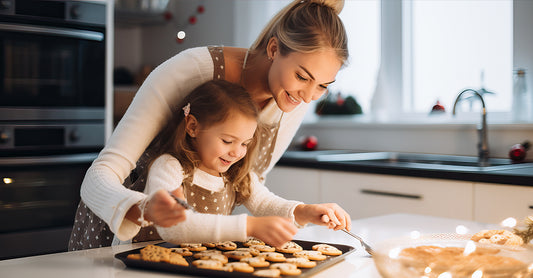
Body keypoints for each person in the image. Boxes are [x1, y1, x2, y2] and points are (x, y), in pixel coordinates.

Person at [69, 0, 350, 250]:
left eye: (323, 86)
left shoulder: (292, 100)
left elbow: (250, 188)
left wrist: (301, 212)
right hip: (118, 236)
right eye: (302, 76)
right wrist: (145, 208)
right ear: (274, 48)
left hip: (196, 249)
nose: (308, 96)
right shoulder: (193, 70)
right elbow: (100, 176)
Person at [130, 79, 334, 246]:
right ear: (193, 127)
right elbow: (174, 227)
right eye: (227, 141)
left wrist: (305, 212)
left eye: (245, 143)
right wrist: (249, 227)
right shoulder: (169, 166)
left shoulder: (236, 173)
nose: (237, 152)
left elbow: (265, 204)